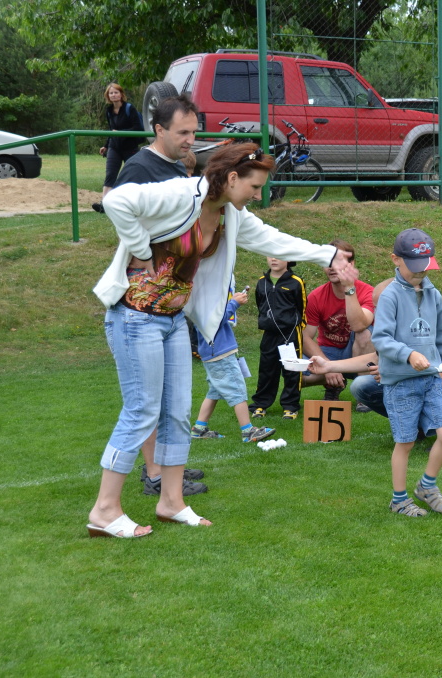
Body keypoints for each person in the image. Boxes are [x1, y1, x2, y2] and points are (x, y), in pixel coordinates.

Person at [85, 142, 352, 538]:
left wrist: (328, 255)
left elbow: (273, 239)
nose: (257, 195)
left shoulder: (231, 214)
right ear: (231, 178)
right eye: (254, 187)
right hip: (134, 317)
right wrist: (140, 249)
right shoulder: (183, 193)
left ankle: (171, 502)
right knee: (142, 411)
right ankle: (105, 510)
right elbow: (117, 200)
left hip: (174, 320)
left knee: (178, 412)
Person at [111, 94, 208, 497]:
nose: (190, 140)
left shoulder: (176, 166)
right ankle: (153, 474)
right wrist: (144, 251)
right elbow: (118, 211)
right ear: (159, 129)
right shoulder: (139, 167)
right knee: (147, 402)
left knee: (170, 400)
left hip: (169, 304)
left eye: (194, 132)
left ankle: (167, 470)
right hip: (141, 304)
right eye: (183, 132)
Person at [309, 277, 442, 448]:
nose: (377, 313)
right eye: (375, 307)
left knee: (403, 387)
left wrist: (392, 373)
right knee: (361, 386)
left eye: (381, 306)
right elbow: (374, 358)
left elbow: (436, 376)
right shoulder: (396, 327)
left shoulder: (424, 327)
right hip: (422, 385)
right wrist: (328, 366)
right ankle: (418, 426)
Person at [371, 228, 442, 518]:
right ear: (396, 259)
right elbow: (381, 339)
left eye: (425, 265)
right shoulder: (390, 296)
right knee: (405, 442)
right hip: (400, 383)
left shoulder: (433, 294)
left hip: (432, 378)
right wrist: (408, 354)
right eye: (414, 265)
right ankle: (398, 500)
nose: (420, 272)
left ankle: (426, 486)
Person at [190, 285, 275, 442]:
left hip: (213, 353)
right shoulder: (203, 302)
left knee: (214, 391)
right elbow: (216, 321)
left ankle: (199, 429)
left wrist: (232, 301)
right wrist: (234, 303)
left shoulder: (199, 301)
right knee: (237, 390)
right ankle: (248, 431)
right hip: (220, 354)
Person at [301, 239, 375, 404]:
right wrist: (328, 367)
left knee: (364, 334)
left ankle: (363, 393)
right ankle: (333, 384)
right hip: (329, 352)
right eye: (327, 262)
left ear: (351, 264)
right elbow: (305, 337)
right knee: (294, 375)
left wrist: (349, 288)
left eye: (337, 262)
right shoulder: (316, 296)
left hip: (358, 354)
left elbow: (359, 325)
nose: (331, 267)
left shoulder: (367, 292)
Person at [250, 257, 306, 420]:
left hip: (290, 334)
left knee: (292, 371)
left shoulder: (296, 282)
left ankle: (290, 406)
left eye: (279, 255)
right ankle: (260, 404)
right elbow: (260, 304)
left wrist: (296, 327)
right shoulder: (262, 282)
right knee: (266, 370)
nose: (274, 259)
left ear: (289, 259)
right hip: (269, 334)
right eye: (270, 255)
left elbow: (302, 307)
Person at [92, 83, 144, 213]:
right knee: (110, 174)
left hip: (130, 147)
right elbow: (112, 130)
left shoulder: (129, 108)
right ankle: (104, 205)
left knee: (132, 175)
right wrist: (106, 145)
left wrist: (120, 132)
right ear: (108, 96)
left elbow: (138, 128)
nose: (113, 95)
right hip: (114, 147)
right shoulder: (109, 111)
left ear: (121, 94)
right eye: (111, 93)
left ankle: (134, 204)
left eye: (116, 92)